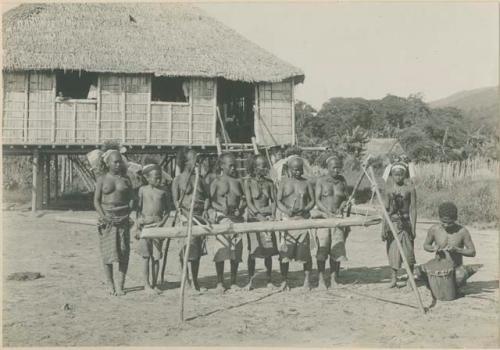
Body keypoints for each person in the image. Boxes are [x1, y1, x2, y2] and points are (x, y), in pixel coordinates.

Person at [93, 150, 134, 296]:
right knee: (107, 254)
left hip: (123, 219)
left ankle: (120, 285)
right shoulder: (102, 179)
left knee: (124, 252)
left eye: (119, 161)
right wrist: (103, 217)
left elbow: (131, 199)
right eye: (114, 162)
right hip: (107, 220)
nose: (117, 164)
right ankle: (110, 284)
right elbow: (96, 201)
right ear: (107, 163)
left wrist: (127, 213)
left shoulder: (126, 179)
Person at [172, 149, 210, 292]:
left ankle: (195, 280)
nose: (197, 162)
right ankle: (186, 279)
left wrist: (205, 209)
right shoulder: (178, 180)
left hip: (199, 218)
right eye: (194, 159)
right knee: (185, 250)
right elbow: (175, 201)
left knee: (196, 253)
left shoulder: (200, 179)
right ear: (186, 162)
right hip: (185, 218)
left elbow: (207, 197)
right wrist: (182, 214)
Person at [276, 156, 315, 291]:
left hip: (302, 221)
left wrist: (305, 209)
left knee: (305, 254)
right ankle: (284, 281)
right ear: (289, 169)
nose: (298, 172)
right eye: (295, 170)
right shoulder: (283, 182)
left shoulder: (306, 183)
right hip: (287, 221)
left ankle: (307, 281)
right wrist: (286, 210)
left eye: (300, 169)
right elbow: (278, 201)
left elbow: (312, 201)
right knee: (284, 254)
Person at [210, 153, 246, 292]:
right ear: (222, 166)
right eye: (230, 165)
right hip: (222, 218)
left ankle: (233, 281)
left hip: (236, 218)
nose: (233, 168)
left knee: (236, 251)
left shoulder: (238, 181)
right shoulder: (216, 181)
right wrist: (221, 208)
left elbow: (243, 199)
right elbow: (211, 201)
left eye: (234, 165)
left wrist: (241, 209)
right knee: (222, 249)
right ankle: (220, 282)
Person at [313, 155, 350, 289]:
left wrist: (341, 207)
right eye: (334, 168)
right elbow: (317, 200)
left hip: (337, 219)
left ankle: (334, 279)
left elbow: (346, 198)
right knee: (322, 250)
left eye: (338, 168)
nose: (336, 170)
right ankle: (321, 280)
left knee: (336, 250)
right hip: (323, 219)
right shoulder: (321, 181)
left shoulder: (342, 181)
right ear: (328, 168)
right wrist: (327, 213)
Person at [243, 155, 278, 290]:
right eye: (261, 166)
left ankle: (269, 279)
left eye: (265, 165)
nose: (264, 168)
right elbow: (249, 202)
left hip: (268, 217)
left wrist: (273, 214)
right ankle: (250, 280)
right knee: (253, 251)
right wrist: (258, 216)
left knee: (268, 251)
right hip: (254, 219)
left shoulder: (269, 183)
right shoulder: (248, 182)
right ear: (254, 167)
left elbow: (274, 201)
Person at [422, 201, 476, 288]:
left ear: (455, 219)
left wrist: (457, 250)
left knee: (460, 276)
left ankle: (455, 286)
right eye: (443, 222)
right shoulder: (434, 229)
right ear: (440, 218)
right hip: (438, 268)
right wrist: (433, 248)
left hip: (455, 269)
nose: (446, 225)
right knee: (420, 271)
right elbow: (426, 245)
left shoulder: (462, 231)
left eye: (449, 222)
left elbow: (472, 252)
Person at [134, 163, 170, 294]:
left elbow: (167, 210)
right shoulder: (142, 190)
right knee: (145, 256)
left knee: (156, 256)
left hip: (158, 226)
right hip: (145, 225)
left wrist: (162, 223)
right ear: (148, 178)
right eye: (156, 178)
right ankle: (146, 284)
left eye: (160, 177)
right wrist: (138, 225)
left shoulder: (164, 191)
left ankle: (155, 284)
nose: (159, 180)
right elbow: (138, 209)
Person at [382, 161, 417, 288]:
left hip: (406, 224)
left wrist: (413, 227)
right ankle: (393, 279)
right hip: (393, 224)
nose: (398, 177)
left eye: (401, 175)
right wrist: (383, 227)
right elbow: (385, 210)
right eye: (396, 175)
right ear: (392, 175)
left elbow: (413, 209)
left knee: (408, 252)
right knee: (393, 252)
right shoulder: (388, 190)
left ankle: (410, 278)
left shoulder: (410, 189)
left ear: (405, 175)